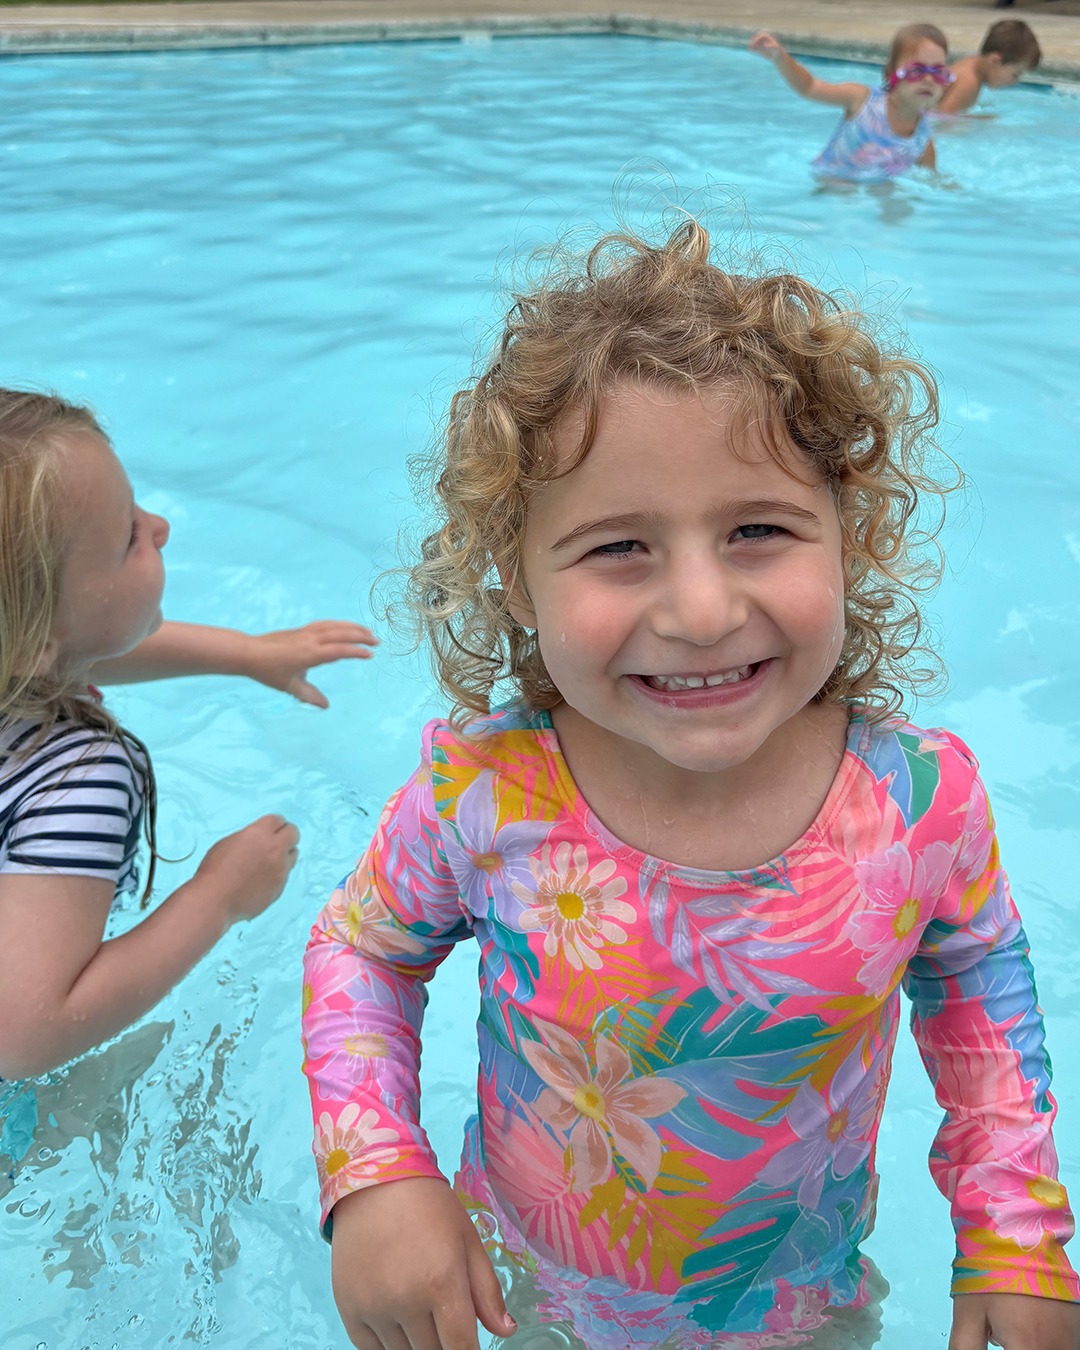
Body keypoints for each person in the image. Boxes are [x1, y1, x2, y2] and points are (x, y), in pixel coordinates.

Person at [301, 220, 1080, 1350]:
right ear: (517, 581)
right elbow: (362, 950)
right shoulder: (486, 793)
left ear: (849, 545)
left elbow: (975, 984)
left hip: (802, 1305)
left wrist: (1013, 1231)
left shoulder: (920, 799)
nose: (703, 610)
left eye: (759, 529)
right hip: (524, 1297)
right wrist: (377, 1173)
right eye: (620, 548)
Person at [0, 388, 378, 1082]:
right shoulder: (75, 774)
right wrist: (216, 898)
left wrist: (245, 654)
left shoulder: (21, 657)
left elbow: (77, 647)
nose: (162, 525)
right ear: (32, 643)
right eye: (127, 539)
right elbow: (27, 1034)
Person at [749, 24, 953, 182]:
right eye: (917, 71)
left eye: (938, 72)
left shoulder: (922, 144)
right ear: (891, 74)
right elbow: (809, 87)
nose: (928, 79)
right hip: (834, 181)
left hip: (876, 191)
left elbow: (930, 183)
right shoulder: (861, 100)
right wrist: (780, 58)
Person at [938, 20, 1042, 115]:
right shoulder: (970, 82)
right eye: (1015, 74)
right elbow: (943, 118)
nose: (1014, 82)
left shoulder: (971, 63)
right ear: (995, 61)